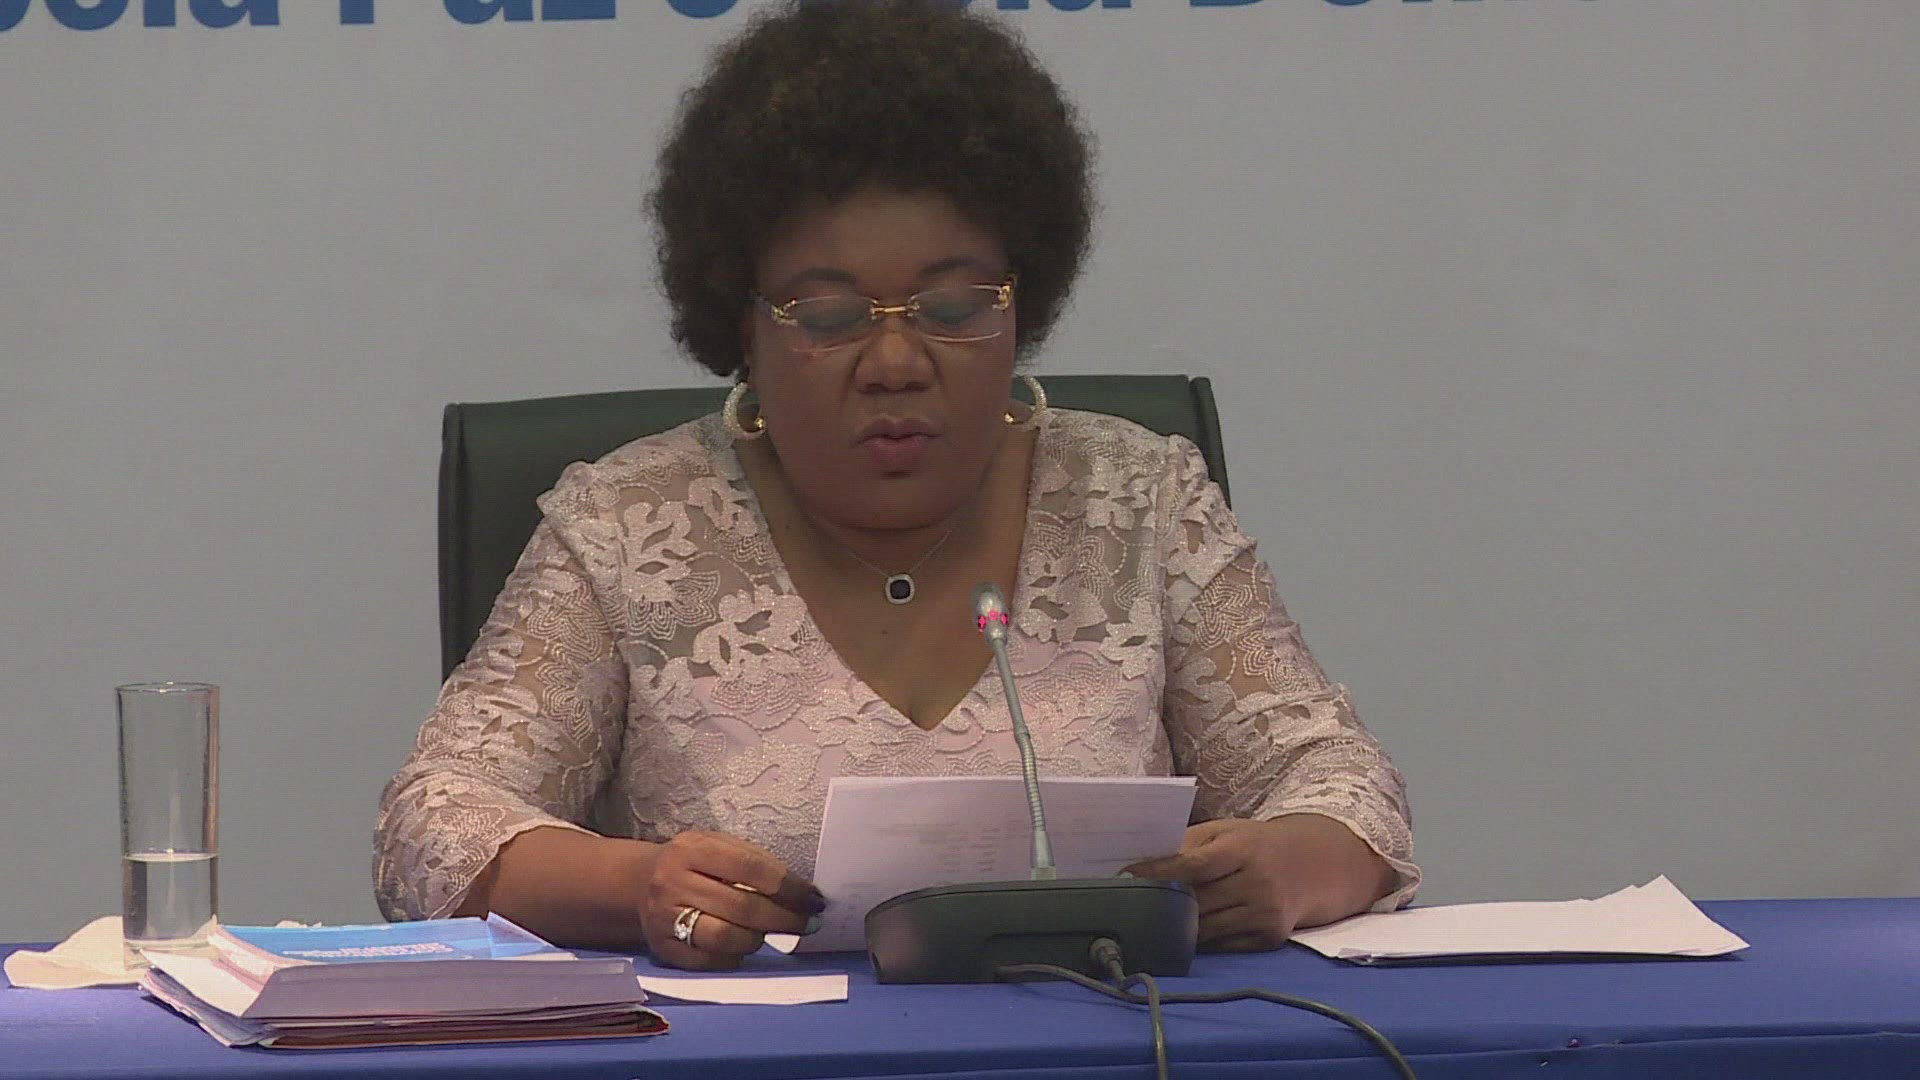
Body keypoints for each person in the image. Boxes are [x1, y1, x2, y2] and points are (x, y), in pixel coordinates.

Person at [375, 0, 1418, 971]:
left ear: (1022, 305)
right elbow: (435, 822)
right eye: (829, 318)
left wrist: (1285, 867)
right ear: (743, 328)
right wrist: (635, 887)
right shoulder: (627, 528)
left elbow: (1346, 788)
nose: (895, 362)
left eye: (953, 309)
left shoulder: (1139, 500)